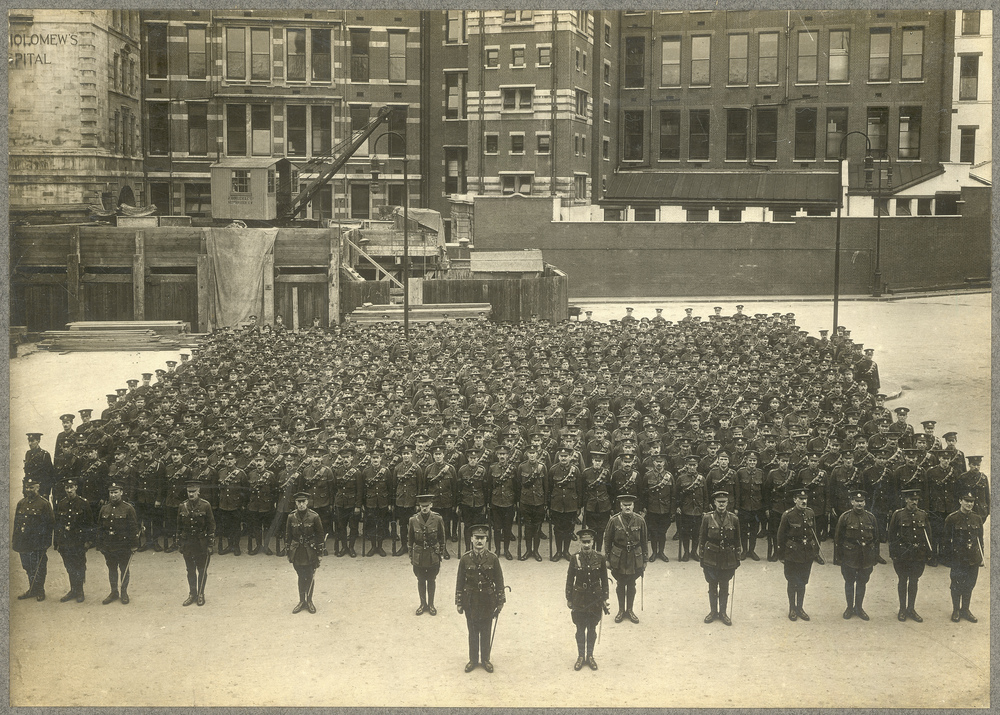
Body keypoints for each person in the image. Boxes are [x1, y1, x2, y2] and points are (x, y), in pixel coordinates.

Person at [456, 524, 506, 673]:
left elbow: (499, 580)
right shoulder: (465, 559)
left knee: (486, 630)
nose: (479, 541)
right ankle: (472, 660)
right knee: (472, 630)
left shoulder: (493, 558)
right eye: (476, 538)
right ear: (471, 539)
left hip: (487, 600)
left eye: (482, 538)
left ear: (486, 540)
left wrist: (500, 601)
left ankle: (485, 660)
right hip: (470, 600)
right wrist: (459, 602)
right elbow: (459, 581)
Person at [777, 488, 825, 621]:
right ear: (795, 500)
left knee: (803, 581)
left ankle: (800, 608)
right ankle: (792, 608)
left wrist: (814, 551)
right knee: (792, 581)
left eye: (805, 499)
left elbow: (814, 533)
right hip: (792, 553)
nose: (804, 501)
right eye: (801, 499)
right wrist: (781, 555)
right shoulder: (788, 515)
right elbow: (780, 536)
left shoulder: (810, 513)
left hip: (807, 553)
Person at [565, 528, 609, 670]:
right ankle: (580, 656)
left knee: (592, 628)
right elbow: (570, 578)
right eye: (583, 542)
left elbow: (604, 579)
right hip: (579, 598)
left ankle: (590, 656)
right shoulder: (574, 558)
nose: (586, 545)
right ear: (580, 542)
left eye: (588, 542)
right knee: (579, 629)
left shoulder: (600, 558)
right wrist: (569, 598)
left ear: (593, 542)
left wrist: (605, 597)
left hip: (595, 598)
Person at [833, 489, 880, 620]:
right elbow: (838, 538)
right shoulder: (845, 517)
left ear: (865, 503)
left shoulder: (871, 517)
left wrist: (875, 556)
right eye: (857, 501)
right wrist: (839, 557)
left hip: (866, 556)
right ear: (852, 502)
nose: (859, 504)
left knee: (862, 582)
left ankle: (859, 608)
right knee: (849, 581)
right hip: (850, 555)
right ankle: (849, 607)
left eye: (862, 501)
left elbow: (876, 539)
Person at [697, 490, 741, 625]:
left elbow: (737, 539)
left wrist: (737, 557)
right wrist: (702, 557)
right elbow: (702, 538)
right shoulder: (707, 518)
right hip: (711, 556)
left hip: (727, 556)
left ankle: (723, 613)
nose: (721, 504)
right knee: (712, 584)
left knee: (724, 584)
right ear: (714, 503)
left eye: (724, 502)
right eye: (719, 502)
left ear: (728, 503)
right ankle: (713, 612)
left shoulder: (734, 518)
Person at [888, 488, 932, 622]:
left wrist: (928, 553)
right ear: (906, 500)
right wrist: (894, 554)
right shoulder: (898, 514)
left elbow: (928, 536)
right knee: (902, 580)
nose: (914, 502)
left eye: (916, 500)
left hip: (917, 555)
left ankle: (911, 609)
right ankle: (902, 609)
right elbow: (891, 535)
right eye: (912, 499)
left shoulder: (922, 515)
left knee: (914, 581)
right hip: (902, 555)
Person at [603, 494, 648, 623]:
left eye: (630, 505)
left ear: (633, 506)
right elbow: (607, 541)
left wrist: (645, 559)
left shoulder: (640, 520)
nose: (627, 507)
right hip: (619, 557)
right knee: (620, 584)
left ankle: (630, 610)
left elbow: (644, 541)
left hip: (635, 557)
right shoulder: (614, 520)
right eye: (625, 505)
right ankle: (621, 610)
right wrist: (607, 558)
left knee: (632, 584)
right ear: (620, 506)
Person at [96, 481, 139, 605]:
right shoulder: (104, 508)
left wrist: (134, 545)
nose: (113, 495)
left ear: (121, 492)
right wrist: (100, 545)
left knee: (124, 569)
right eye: (111, 493)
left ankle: (124, 591)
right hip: (109, 545)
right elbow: (100, 528)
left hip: (123, 545)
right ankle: (114, 592)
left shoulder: (128, 508)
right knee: (112, 569)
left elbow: (133, 528)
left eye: (115, 492)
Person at [944, 490, 984, 623]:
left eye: (971, 502)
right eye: (966, 501)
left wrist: (981, 557)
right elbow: (945, 540)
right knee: (956, 584)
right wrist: (949, 559)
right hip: (958, 558)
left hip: (973, 557)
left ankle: (965, 609)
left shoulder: (977, 518)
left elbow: (980, 540)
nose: (969, 504)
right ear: (960, 501)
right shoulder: (952, 518)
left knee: (970, 584)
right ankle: (956, 609)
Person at [12, 476, 55, 601]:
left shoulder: (44, 504)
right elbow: (16, 523)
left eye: (32, 487)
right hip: (24, 542)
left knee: (39, 567)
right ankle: (32, 589)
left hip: (37, 542)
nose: (29, 490)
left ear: (38, 488)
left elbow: (50, 524)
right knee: (27, 566)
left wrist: (46, 543)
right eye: (27, 487)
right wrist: (15, 541)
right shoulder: (21, 503)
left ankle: (40, 590)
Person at [177, 480, 215, 607]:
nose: (191, 494)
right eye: (189, 492)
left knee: (202, 570)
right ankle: (192, 594)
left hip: (201, 543)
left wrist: (210, 545)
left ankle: (200, 594)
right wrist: (180, 544)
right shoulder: (182, 506)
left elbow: (211, 526)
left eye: (193, 492)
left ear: (199, 491)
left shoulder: (205, 506)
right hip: (188, 543)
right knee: (190, 570)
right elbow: (179, 527)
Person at [53, 477, 92, 603]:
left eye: (71, 487)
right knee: (69, 566)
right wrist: (57, 542)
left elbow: (89, 524)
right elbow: (58, 524)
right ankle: (72, 590)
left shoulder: (83, 503)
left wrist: (88, 541)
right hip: (65, 541)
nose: (69, 490)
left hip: (78, 540)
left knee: (79, 565)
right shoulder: (62, 503)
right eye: (67, 488)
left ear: (76, 487)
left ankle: (80, 590)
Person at [285, 491, 324, 613]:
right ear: (295, 503)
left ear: (307, 502)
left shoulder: (314, 516)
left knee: (310, 576)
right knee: (301, 576)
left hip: (310, 551)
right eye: (298, 502)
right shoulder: (291, 517)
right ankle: (302, 601)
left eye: (303, 502)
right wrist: (288, 552)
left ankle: (310, 601)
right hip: (297, 551)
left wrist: (320, 554)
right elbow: (288, 535)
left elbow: (320, 536)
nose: (301, 504)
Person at [409, 493, 446, 615]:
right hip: (419, 555)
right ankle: (422, 604)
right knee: (420, 580)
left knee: (431, 579)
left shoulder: (437, 519)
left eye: (427, 505)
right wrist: (411, 556)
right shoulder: (413, 520)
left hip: (432, 555)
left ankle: (431, 604)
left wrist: (440, 554)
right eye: (422, 506)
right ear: (419, 506)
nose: (424, 508)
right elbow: (410, 540)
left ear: (431, 505)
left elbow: (442, 538)